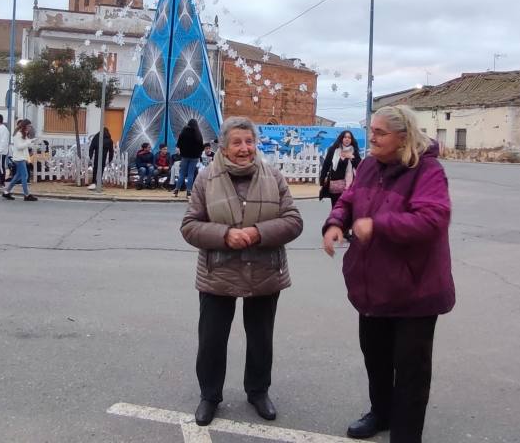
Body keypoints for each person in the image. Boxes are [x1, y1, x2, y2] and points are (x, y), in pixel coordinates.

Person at [322, 106, 455, 442]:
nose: (372, 138)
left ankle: (406, 434)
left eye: (380, 132)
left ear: (403, 136)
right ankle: (381, 412)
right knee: (377, 360)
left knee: (411, 372)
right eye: (372, 130)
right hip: (373, 286)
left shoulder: (427, 171)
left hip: (415, 290)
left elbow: (432, 220)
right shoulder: (368, 165)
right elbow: (348, 200)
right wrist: (336, 222)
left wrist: (377, 225)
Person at [180, 116, 303, 427]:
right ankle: (210, 395)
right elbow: (190, 226)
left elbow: (293, 220)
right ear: (223, 145)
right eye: (237, 142)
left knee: (261, 338)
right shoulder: (205, 178)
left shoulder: (273, 176)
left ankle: (258, 391)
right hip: (218, 272)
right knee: (211, 340)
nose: (244, 148)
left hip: (264, 271)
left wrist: (259, 232)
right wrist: (225, 235)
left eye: (249, 141)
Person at [319, 130, 362, 206]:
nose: (347, 139)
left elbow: (359, 166)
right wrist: (322, 180)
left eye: (349, 137)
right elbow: (326, 165)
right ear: (341, 138)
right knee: (335, 207)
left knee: (347, 209)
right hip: (336, 185)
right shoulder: (333, 150)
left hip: (349, 186)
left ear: (351, 140)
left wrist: (352, 157)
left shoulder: (353, 151)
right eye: (345, 137)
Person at [3, 119, 37, 201]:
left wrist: (30, 142)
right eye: (29, 126)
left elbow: (24, 146)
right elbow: (19, 146)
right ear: (25, 126)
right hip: (19, 158)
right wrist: (29, 142)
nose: (30, 127)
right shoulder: (18, 134)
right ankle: (26, 195)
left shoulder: (23, 134)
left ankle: (6, 192)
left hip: (21, 157)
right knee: (25, 176)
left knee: (18, 176)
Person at [173, 119, 206, 198]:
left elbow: (178, 144)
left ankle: (176, 190)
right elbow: (201, 146)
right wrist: (198, 153)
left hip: (185, 156)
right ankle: (188, 192)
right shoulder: (198, 133)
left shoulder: (183, 132)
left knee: (182, 173)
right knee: (190, 174)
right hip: (194, 157)